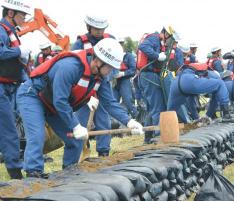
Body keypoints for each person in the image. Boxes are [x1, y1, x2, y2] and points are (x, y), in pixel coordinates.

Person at [17, 38, 143, 178]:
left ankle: (67, 175)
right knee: (37, 136)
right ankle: (33, 175)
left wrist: (129, 122)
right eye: (110, 68)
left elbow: (110, 103)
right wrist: (76, 126)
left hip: (53, 104)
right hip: (33, 96)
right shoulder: (70, 67)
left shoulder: (101, 77)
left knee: (76, 141)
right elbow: (60, 101)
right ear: (98, 61)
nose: (111, 72)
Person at [72, 15, 115, 157]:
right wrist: (87, 95)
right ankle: (79, 151)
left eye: (101, 29)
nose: (98, 31)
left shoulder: (111, 40)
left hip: (103, 85)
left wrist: (111, 75)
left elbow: (115, 60)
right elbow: (73, 65)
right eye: (96, 28)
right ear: (89, 27)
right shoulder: (79, 44)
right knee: (81, 122)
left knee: (104, 119)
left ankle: (104, 151)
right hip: (84, 88)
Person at [0, 0, 31, 179]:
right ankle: (15, 174)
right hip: (1, 88)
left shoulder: (11, 32)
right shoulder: (1, 30)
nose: (25, 19)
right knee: (9, 130)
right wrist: (19, 51)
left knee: (9, 127)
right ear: (10, 13)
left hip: (11, 87)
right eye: (22, 15)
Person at [137, 25, 176, 143]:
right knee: (158, 107)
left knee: (151, 108)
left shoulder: (158, 41)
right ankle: (159, 137)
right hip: (148, 75)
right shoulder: (154, 38)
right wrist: (157, 55)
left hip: (146, 76)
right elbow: (142, 46)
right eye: (169, 37)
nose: (169, 40)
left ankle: (148, 137)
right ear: (165, 33)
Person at [167, 63, 234, 122]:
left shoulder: (191, 70)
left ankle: (163, 129)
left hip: (176, 83)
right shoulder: (215, 75)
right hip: (189, 80)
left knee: (169, 112)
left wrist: (197, 118)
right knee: (220, 83)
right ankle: (226, 115)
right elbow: (215, 100)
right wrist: (208, 115)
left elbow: (190, 100)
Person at [112, 38, 138, 118]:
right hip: (114, 81)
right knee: (113, 102)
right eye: (119, 43)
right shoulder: (112, 55)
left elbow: (133, 70)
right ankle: (113, 122)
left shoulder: (129, 56)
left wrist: (123, 73)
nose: (120, 45)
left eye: (121, 43)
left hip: (125, 80)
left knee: (128, 101)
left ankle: (137, 117)